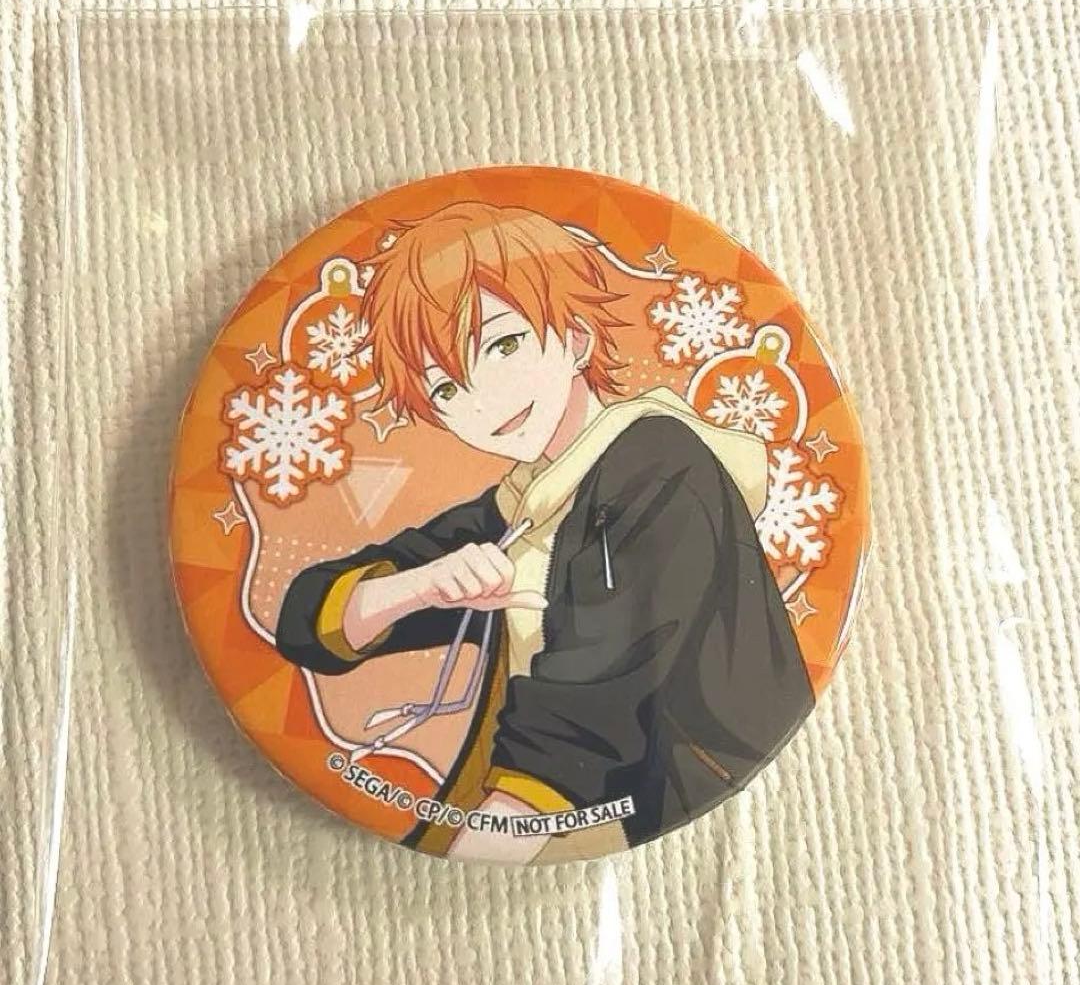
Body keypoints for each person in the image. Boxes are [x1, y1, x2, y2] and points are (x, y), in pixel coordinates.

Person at [276, 202, 813, 863]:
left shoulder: (656, 464)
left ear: (577, 338)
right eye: (445, 390)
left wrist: (484, 847)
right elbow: (305, 619)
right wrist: (418, 587)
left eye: (502, 346)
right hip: (578, 802)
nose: (483, 400)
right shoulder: (527, 501)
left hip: (669, 798)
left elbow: (587, 709)